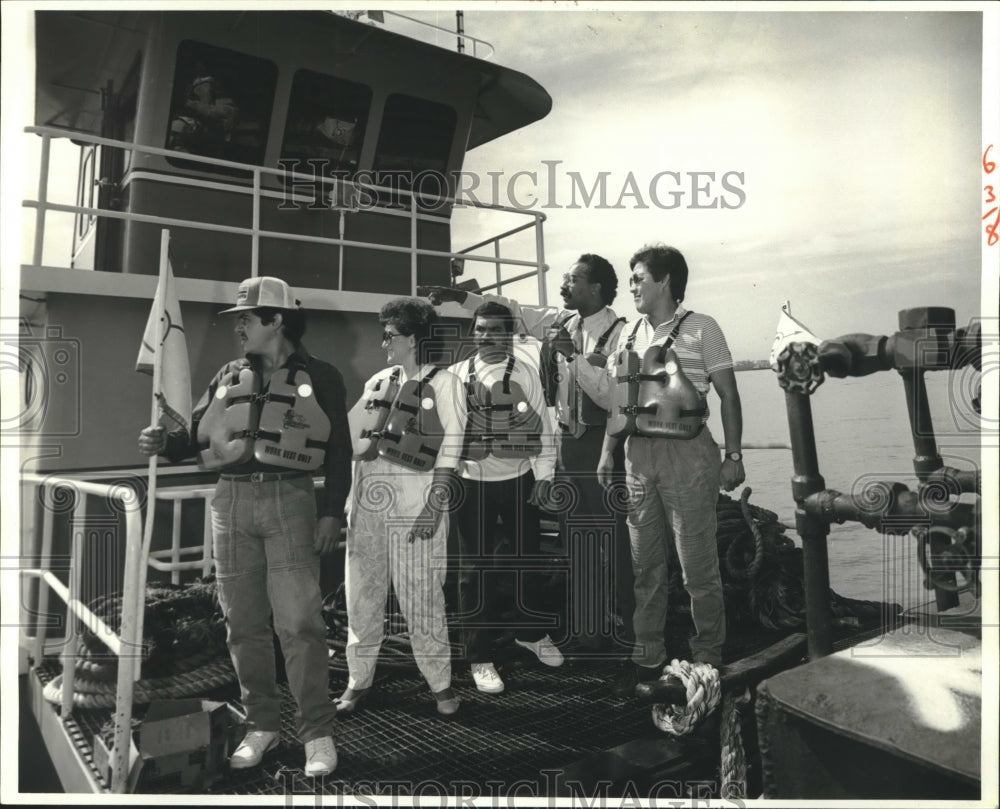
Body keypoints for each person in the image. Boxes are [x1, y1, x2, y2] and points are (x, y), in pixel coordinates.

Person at [138, 276, 348, 776]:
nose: (240, 328)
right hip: (229, 503)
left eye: (247, 319)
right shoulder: (229, 374)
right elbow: (193, 436)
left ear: (276, 321)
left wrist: (331, 512)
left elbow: (339, 450)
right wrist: (162, 444)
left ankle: (316, 733)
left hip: (290, 502)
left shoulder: (322, 375)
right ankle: (263, 725)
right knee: (243, 624)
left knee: (299, 624)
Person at [427, 255, 634, 654]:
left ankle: (630, 636)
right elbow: (514, 312)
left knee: (619, 546)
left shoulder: (623, 334)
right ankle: (590, 634)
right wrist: (462, 298)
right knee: (578, 545)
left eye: (572, 279)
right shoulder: (562, 322)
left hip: (606, 448)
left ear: (596, 288)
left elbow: (612, 397)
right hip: (568, 449)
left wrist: (571, 356)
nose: (563, 283)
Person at [596, 244, 745, 694]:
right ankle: (649, 653)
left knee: (697, 566)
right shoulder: (626, 337)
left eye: (639, 277)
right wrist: (607, 452)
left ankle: (707, 655)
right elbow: (618, 404)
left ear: (664, 281)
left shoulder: (703, 329)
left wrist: (733, 455)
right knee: (646, 566)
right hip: (638, 457)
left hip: (689, 456)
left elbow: (729, 394)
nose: (633, 286)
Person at [338, 298, 461, 716]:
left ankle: (441, 684)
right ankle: (359, 678)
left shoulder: (446, 384)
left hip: (415, 504)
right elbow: (348, 434)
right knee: (362, 593)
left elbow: (452, 450)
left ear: (413, 339)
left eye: (389, 335)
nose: (383, 343)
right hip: (368, 500)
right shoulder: (379, 380)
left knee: (422, 596)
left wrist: (434, 507)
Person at [447, 301, 562, 694]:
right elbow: (443, 433)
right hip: (471, 481)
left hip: (519, 478)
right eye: (481, 329)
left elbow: (544, 430)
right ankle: (479, 656)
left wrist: (544, 476)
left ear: (510, 334)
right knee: (473, 570)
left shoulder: (526, 374)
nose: (487, 336)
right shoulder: (455, 375)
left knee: (527, 560)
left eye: (496, 329)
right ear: (473, 332)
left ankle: (530, 633)